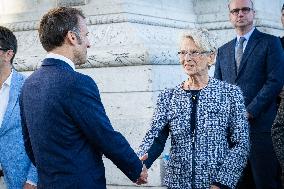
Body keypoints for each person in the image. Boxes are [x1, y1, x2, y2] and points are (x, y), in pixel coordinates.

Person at [19, 7, 147, 189]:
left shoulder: (28, 84)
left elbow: (29, 144)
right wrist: (135, 167)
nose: (88, 43)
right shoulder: (77, 83)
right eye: (86, 35)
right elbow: (103, 134)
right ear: (72, 37)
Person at [137, 29, 250, 189]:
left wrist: (222, 182)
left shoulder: (230, 94)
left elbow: (241, 143)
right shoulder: (168, 96)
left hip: (215, 183)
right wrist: (139, 164)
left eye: (194, 52)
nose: (187, 58)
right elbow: (155, 137)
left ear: (211, 57)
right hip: (177, 183)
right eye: (182, 53)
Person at [214, 0, 284, 188]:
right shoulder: (223, 50)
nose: (240, 14)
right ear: (230, 15)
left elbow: (275, 81)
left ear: (253, 13)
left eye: (245, 9)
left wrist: (249, 111)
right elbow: (219, 89)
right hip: (232, 136)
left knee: (265, 183)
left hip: (261, 130)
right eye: (235, 11)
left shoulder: (271, 43)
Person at [0, 26, 37, 188]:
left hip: (19, 179)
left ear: (9, 54)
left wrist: (32, 180)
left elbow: (41, 138)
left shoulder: (28, 87)